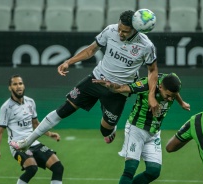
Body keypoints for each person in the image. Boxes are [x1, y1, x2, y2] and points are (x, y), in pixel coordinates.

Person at [10, 10, 159, 150]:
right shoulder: (110, 30)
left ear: (135, 30)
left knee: (105, 130)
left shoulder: (146, 46)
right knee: (64, 109)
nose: (120, 33)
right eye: (119, 28)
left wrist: (151, 95)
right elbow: (91, 50)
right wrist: (69, 61)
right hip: (96, 79)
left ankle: (110, 128)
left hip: (117, 90)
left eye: (125, 31)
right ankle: (27, 142)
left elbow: (152, 71)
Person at [93, 73, 190, 183]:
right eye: (168, 95)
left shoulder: (173, 80)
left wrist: (181, 103)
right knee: (130, 168)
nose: (169, 99)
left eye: (172, 96)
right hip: (136, 129)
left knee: (154, 171)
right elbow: (123, 88)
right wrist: (110, 86)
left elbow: (174, 93)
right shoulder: (146, 84)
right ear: (160, 87)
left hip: (154, 133)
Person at [0, 74, 64, 184]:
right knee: (31, 168)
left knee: (58, 167)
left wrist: (50, 134)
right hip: (17, 146)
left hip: (33, 142)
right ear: (10, 88)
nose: (18, 86)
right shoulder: (6, 107)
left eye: (20, 83)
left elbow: (36, 124)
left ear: (24, 85)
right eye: (15, 84)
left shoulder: (30, 102)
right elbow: (0, 131)